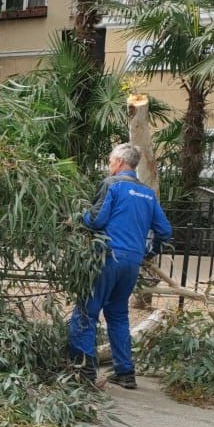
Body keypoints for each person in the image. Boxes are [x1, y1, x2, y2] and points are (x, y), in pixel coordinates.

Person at [68, 142, 173, 389]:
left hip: (106, 258)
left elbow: (96, 220)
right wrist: (150, 252)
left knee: (86, 313)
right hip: (131, 263)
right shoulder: (148, 193)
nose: (109, 166)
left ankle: (84, 373)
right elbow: (165, 230)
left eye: (110, 161)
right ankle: (125, 372)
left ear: (120, 162)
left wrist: (75, 219)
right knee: (117, 315)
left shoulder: (112, 185)